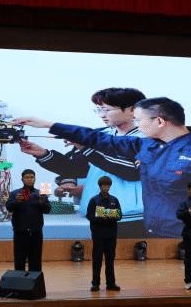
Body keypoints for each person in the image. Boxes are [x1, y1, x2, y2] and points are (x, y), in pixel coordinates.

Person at [14, 97, 191, 238]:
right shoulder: (148, 145)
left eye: (139, 120)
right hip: (154, 233)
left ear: (159, 121)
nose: (137, 126)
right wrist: (49, 125)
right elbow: (96, 139)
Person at [20, 87, 145, 236]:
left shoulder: (147, 139)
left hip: (130, 217)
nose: (102, 115)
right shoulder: (99, 134)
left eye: (106, 110)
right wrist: (42, 154)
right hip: (95, 214)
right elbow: (74, 168)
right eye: (98, 110)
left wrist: (86, 148)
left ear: (132, 110)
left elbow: (131, 171)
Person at [5, 169, 51, 272]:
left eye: (31, 177)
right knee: (19, 260)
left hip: (36, 232)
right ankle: (19, 281)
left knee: (36, 261)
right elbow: (9, 208)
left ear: (35, 179)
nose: (29, 180)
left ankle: (35, 282)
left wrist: (43, 202)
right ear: (22, 180)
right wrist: (16, 201)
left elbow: (48, 210)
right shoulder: (15, 193)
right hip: (20, 232)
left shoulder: (41, 193)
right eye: (26, 177)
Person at [86, 176, 122, 292]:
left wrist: (110, 215)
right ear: (100, 186)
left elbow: (119, 215)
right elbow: (89, 216)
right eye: (103, 185)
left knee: (110, 260)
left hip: (111, 235)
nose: (106, 187)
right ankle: (95, 283)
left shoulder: (114, 200)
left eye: (107, 185)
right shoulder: (94, 200)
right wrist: (100, 217)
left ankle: (111, 283)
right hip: (98, 235)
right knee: (97, 260)